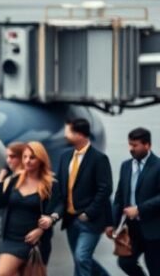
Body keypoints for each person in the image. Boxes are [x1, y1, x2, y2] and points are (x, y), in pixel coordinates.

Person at [47, 118, 113, 276]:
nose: (65, 135)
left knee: (82, 257)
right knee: (81, 259)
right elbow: (62, 189)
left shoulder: (99, 159)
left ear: (80, 135)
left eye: (68, 132)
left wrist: (89, 212)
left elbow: (105, 189)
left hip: (90, 221)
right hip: (71, 220)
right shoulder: (65, 157)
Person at [0, 141, 56, 276]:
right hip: (11, 239)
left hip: (35, 241)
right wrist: (0, 181)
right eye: (25, 157)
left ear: (40, 159)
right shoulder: (13, 180)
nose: (27, 161)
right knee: (2, 273)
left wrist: (41, 230)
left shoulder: (49, 184)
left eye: (32, 157)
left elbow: (55, 211)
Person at [107, 127, 159, 276]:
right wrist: (113, 223)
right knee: (125, 262)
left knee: (155, 268)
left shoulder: (158, 166)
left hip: (154, 230)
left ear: (147, 145)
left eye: (135, 145)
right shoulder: (126, 166)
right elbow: (119, 197)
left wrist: (139, 209)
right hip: (132, 229)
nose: (131, 149)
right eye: (130, 144)